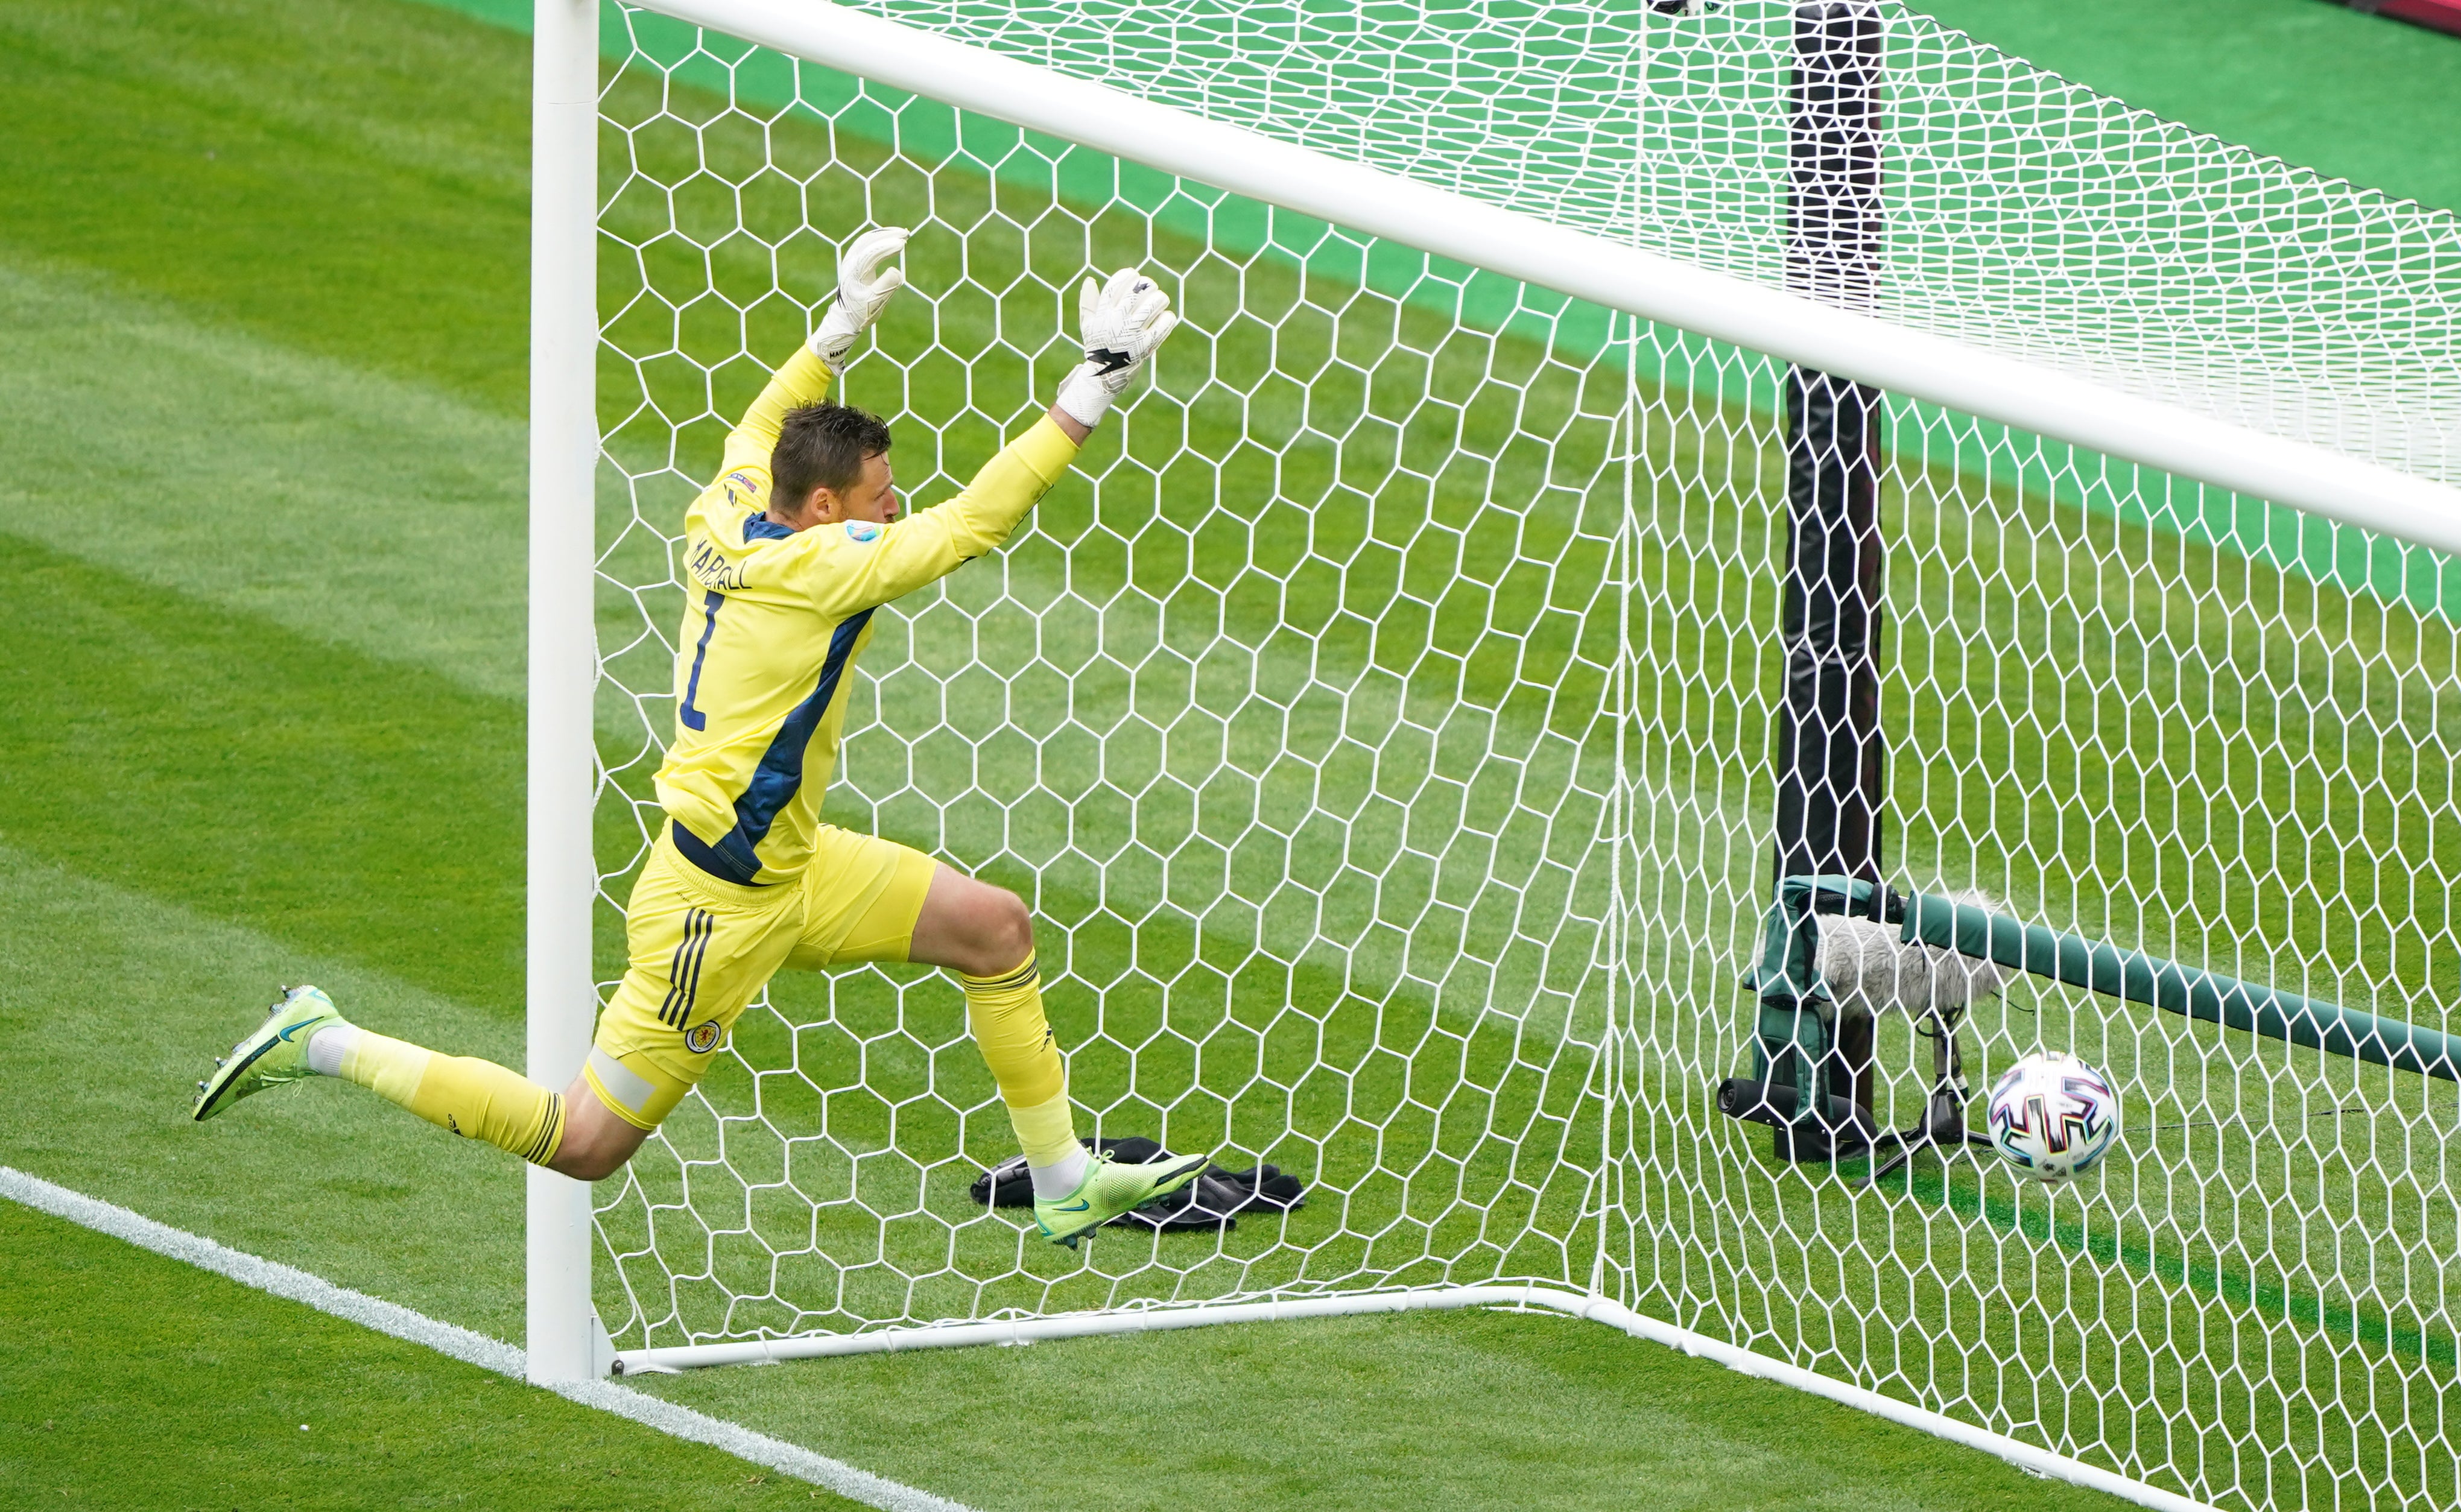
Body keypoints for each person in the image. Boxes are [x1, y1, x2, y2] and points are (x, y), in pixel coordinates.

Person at [193, 227, 1202, 1248]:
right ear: (821, 508)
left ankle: (1064, 1178)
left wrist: (840, 326)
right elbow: (975, 522)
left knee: (995, 931)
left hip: (793, 865)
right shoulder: (825, 569)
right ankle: (323, 1039)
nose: (892, 507)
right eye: (875, 497)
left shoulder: (727, 507)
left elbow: (766, 420)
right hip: (716, 910)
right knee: (585, 1143)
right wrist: (1096, 381)